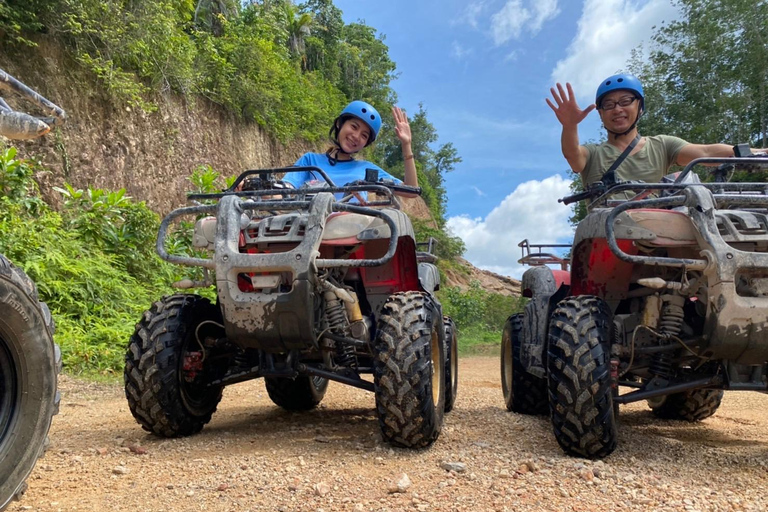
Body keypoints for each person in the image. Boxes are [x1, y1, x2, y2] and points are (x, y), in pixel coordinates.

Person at [546, 73, 762, 189]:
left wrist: (757, 153)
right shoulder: (592, 153)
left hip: (660, 229)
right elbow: (573, 156)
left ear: (639, 106)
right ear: (601, 114)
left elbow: (705, 152)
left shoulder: (662, 145)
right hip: (606, 234)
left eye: (625, 101)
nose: (618, 109)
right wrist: (570, 125)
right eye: (609, 105)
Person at [282, 100, 418, 198]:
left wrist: (406, 145)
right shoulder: (310, 160)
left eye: (364, 135)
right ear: (339, 124)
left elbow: (411, 191)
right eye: (354, 127)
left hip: (353, 232)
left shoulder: (367, 169)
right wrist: (275, 193)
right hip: (309, 225)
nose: (356, 136)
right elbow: (287, 186)